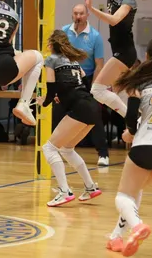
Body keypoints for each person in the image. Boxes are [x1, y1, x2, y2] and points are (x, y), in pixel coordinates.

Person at [106, 38, 152, 256]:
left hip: (147, 145)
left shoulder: (141, 81)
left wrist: (130, 132)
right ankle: (116, 237)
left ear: (146, 56)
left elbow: (131, 117)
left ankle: (137, 226)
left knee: (122, 196)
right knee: (134, 191)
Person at [69, 0, 146, 119]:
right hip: (120, 50)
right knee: (125, 91)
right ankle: (143, 116)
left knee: (97, 89)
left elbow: (115, 19)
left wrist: (91, 10)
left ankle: (132, 119)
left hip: (125, 53)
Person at [36, 30, 102, 206]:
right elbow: (83, 83)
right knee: (67, 149)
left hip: (80, 108)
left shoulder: (51, 60)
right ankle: (90, 187)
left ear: (51, 44)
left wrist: (44, 102)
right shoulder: (73, 60)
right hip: (92, 106)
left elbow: (50, 88)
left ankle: (64, 191)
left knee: (49, 148)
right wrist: (63, 95)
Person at [59, 3, 110, 166]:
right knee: (58, 112)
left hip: (87, 80)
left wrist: (95, 87)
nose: (78, 16)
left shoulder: (95, 36)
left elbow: (99, 64)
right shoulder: (64, 32)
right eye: (75, 13)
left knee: (94, 116)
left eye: (81, 13)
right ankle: (58, 148)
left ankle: (103, 154)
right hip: (67, 79)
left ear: (87, 15)